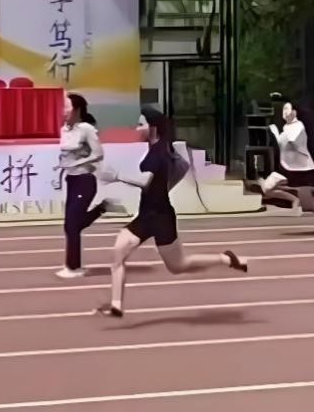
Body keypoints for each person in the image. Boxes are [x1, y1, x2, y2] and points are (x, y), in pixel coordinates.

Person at [93, 107, 248, 317]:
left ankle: (225, 259)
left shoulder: (157, 154)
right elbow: (182, 167)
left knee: (178, 266)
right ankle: (116, 305)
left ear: (153, 127)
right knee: (118, 252)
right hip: (146, 215)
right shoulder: (161, 150)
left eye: (141, 124)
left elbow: (145, 182)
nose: (136, 128)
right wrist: (165, 188)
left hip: (162, 218)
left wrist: (117, 176)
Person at [55, 93, 123, 279]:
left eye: (67, 107)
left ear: (77, 110)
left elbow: (99, 154)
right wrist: (63, 167)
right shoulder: (64, 130)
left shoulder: (86, 129)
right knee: (71, 225)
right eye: (63, 107)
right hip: (71, 181)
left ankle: (73, 268)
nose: (63, 111)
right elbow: (66, 156)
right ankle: (102, 208)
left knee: (71, 226)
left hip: (85, 180)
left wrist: (78, 163)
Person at [259, 101, 314, 236]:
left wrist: (276, 133)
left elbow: (292, 141)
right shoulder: (286, 127)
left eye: (287, 109)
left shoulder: (298, 125)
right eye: (283, 109)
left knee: (307, 203)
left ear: (295, 112)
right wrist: (277, 133)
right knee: (267, 188)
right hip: (286, 168)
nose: (284, 112)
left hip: (301, 169)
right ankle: (294, 198)